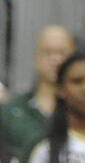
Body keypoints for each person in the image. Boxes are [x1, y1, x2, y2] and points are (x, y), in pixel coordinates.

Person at [0, 25, 74, 161]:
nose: (55, 60)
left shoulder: (84, 111)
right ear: (36, 58)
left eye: (62, 52)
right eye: (48, 52)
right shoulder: (10, 111)